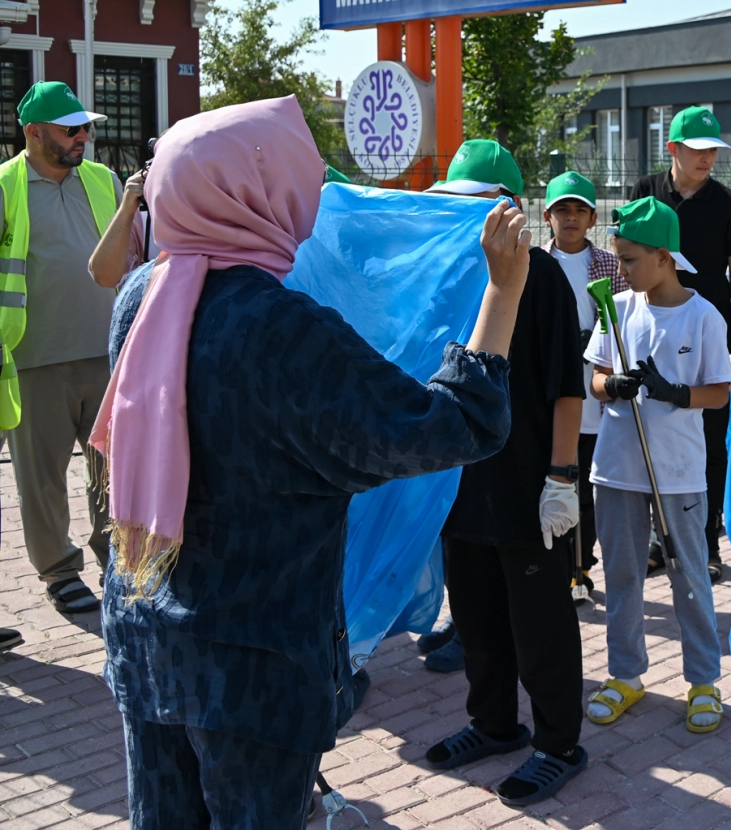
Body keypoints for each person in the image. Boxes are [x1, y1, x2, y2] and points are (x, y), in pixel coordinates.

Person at [98, 96, 522, 827]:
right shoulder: (278, 328)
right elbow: (451, 425)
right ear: (258, 190)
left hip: (145, 636)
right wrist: (503, 289)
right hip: (252, 662)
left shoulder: (143, 295)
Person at [422, 143, 590, 808]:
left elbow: (565, 387)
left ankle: (557, 742)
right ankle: (493, 723)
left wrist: (562, 476)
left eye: (479, 206)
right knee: (476, 615)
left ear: (510, 210)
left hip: (527, 486)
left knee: (540, 621)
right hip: (462, 481)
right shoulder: (448, 273)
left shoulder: (541, 276)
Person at [584, 196, 731, 734]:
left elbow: (719, 393)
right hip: (618, 465)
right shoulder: (618, 308)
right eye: (619, 259)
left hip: (679, 470)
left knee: (689, 575)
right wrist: (611, 387)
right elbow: (595, 377)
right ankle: (626, 674)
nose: (620, 270)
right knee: (622, 573)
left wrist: (677, 393)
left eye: (630, 260)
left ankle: (703, 682)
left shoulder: (704, 315)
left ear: (665, 257)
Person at [3, 82, 137, 615]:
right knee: (41, 476)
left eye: (86, 126)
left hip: (106, 353)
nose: (83, 136)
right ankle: (58, 571)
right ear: (34, 132)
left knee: (112, 466)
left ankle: (115, 555)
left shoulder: (103, 180)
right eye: (70, 128)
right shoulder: (6, 186)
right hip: (33, 356)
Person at [630, 106, 731, 577]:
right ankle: (662, 540)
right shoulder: (645, 192)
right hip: (654, 328)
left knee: (710, 439)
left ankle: (706, 543)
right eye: (698, 150)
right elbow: (631, 259)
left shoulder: (730, 204)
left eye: (713, 151)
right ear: (673, 149)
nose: (708, 159)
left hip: (708, 332)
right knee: (656, 431)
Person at [540, 170, 629, 590]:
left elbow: (621, 319)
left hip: (595, 382)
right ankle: (558, 559)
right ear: (547, 216)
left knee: (590, 478)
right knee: (559, 471)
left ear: (593, 219)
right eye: (562, 210)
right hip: (553, 384)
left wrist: (595, 338)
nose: (571, 218)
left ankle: (584, 566)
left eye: (580, 210)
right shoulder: (536, 262)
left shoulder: (609, 264)